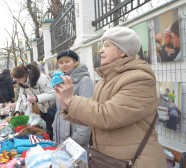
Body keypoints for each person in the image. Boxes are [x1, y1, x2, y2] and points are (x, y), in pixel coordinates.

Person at [55, 27, 167, 168]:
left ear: (122, 51)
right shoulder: (106, 79)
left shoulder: (139, 79)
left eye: (107, 45)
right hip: (109, 159)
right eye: (102, 46)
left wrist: (71, 100)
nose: (101, 50)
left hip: (134, 161)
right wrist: (67, 106)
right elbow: (93, 113)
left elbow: (108, 115)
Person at [52, 50, 93, 150]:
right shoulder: (61, 80)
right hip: (61, 129)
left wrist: (78, 138)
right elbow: (60, 109)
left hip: (75, 130)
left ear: (75, 62)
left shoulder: (84, 80)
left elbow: (87, 111)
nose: (64, 65)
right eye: (61, 63)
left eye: (67, 61)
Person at [12, 63, 56, 139]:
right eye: (16, 81)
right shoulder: (23, 84)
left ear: (24, 75)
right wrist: (17, 112)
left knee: (52, 131)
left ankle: (52, 146)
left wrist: (36, 98)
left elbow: (53, 93)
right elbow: (20, 98)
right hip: (42, 109)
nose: (18, 82)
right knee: (47, 131)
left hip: (53, 109)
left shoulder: (41, 78)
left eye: (19, 80)